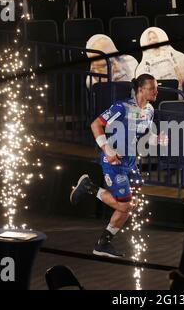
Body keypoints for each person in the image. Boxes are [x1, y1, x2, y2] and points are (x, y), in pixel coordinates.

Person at [70, 74, 167, 258]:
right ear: (140, 89)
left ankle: (102, 245)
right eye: (152, 88)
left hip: (131, 163)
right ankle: (89, 187)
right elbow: (96, 124)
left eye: (156, 87)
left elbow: (143, 133)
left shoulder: (150, 110)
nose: (156, 91)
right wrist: (106, 148)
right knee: (127, 206)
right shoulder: (121, 107)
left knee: (129, 205)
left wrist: (156, 139)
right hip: (113, 162)